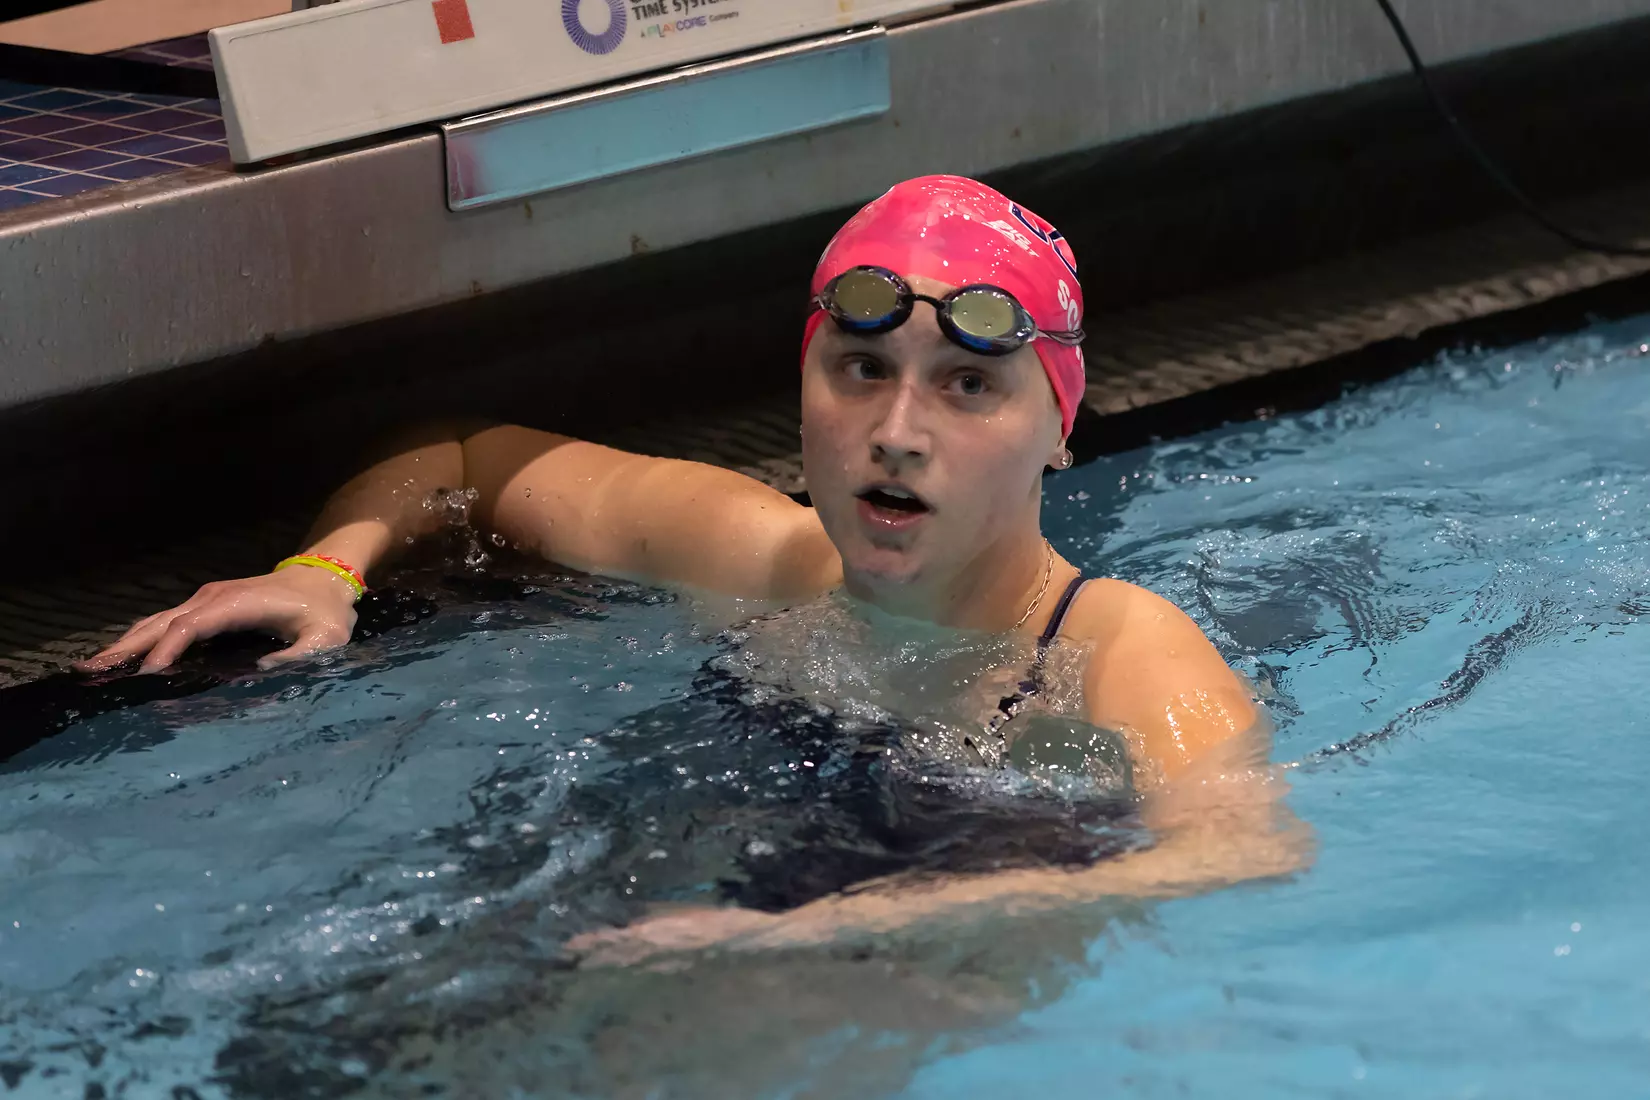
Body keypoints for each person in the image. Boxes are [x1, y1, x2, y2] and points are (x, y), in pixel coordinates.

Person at [80, 176, 1308, 951]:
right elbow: (457, 454)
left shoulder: (1116, 654)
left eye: (969, 386)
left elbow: (1239, 855)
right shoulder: (764, 555)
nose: (896, 429)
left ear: (1059, 429)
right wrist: (327, 573)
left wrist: (817, 931)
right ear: (807, 385)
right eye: (862, 370)